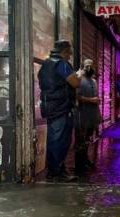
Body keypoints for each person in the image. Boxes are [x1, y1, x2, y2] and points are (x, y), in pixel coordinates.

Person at [38, 40, 81, 181]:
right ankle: (57, 173)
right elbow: (75, 83)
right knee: (61, 141)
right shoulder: (62, 64)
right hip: (61, 107)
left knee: (53, 139)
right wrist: (79, 75)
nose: (69, 56)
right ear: (64, 52)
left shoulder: (46, 64)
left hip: (49, 107)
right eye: (69, 53)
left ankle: (54, 171)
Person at [75, 59, 100, 174]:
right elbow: (78, 97)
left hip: (92, 116)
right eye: (86, 66)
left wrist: (98, 115)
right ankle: (80, 164)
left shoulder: (94, 81)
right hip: (83, 115)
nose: (89, 67)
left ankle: (86, 160)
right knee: (81, 140)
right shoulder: (79, 80)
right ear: (83, 67)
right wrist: (91, 100)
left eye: (91, 65)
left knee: (88, 139)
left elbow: (97, 99)